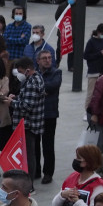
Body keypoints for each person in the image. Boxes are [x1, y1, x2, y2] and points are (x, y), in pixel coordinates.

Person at [8, 57, 46, 180]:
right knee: (29, 154)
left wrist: (11, 103)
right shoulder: (34, 78)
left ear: (27, 70)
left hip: (29, 125)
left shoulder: (32, 82)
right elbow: (26, 98)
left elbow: (26, 106)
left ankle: (29, 184)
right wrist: (16, 98)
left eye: (20, 71)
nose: (19, 74)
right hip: (31, 123)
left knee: (29, 155)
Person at [36, 50, 62, 183]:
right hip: (35, 113)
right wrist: (42, 90)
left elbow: (53, 86)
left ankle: (48, 173)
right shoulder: (35, 73)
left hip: (49, 113)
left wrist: (38, 88)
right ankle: (35, 170)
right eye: (44, 58)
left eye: (49, 58)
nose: (48, 60)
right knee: (35, 144)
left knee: (48, 145)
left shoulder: (56, 72)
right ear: (38, 61)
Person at [84, 24, 103, 112]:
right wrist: (99, 54)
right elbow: (86, 56)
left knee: (102, 93)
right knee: (91, 92)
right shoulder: (91, 42)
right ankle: (87, 110)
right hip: (93, 70)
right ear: (98, 32)